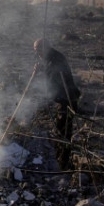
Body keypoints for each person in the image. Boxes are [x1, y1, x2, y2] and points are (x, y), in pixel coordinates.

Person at [33, 38, 81, 170]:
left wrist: (42, 69)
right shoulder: (50, 57)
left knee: (64, 131)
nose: (37, 53)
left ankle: (63, 162)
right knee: (61, 130)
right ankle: (61, 159)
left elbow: (55, 75)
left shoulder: (56, 58)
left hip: (67, 99)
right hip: (62, 99)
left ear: (45, 48)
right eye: (36, 50)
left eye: (38, 50)